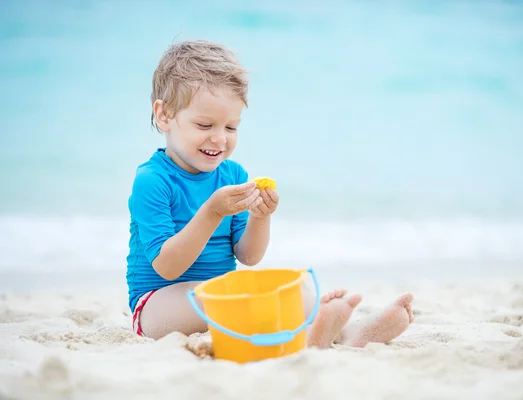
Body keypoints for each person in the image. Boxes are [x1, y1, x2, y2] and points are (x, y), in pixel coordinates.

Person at [126, 39, 415, 348]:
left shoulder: (232, 175)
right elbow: (168, 267)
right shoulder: (152, 180)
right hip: (157, 306)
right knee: (234, 300)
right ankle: (318, 333)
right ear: (165, 115)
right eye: (205, 124)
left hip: (222, 294)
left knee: (298, 288)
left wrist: (260, 218)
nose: (219, 138)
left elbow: (248, 256)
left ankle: (346, 334)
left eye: (231, 127)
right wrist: (212, 212)